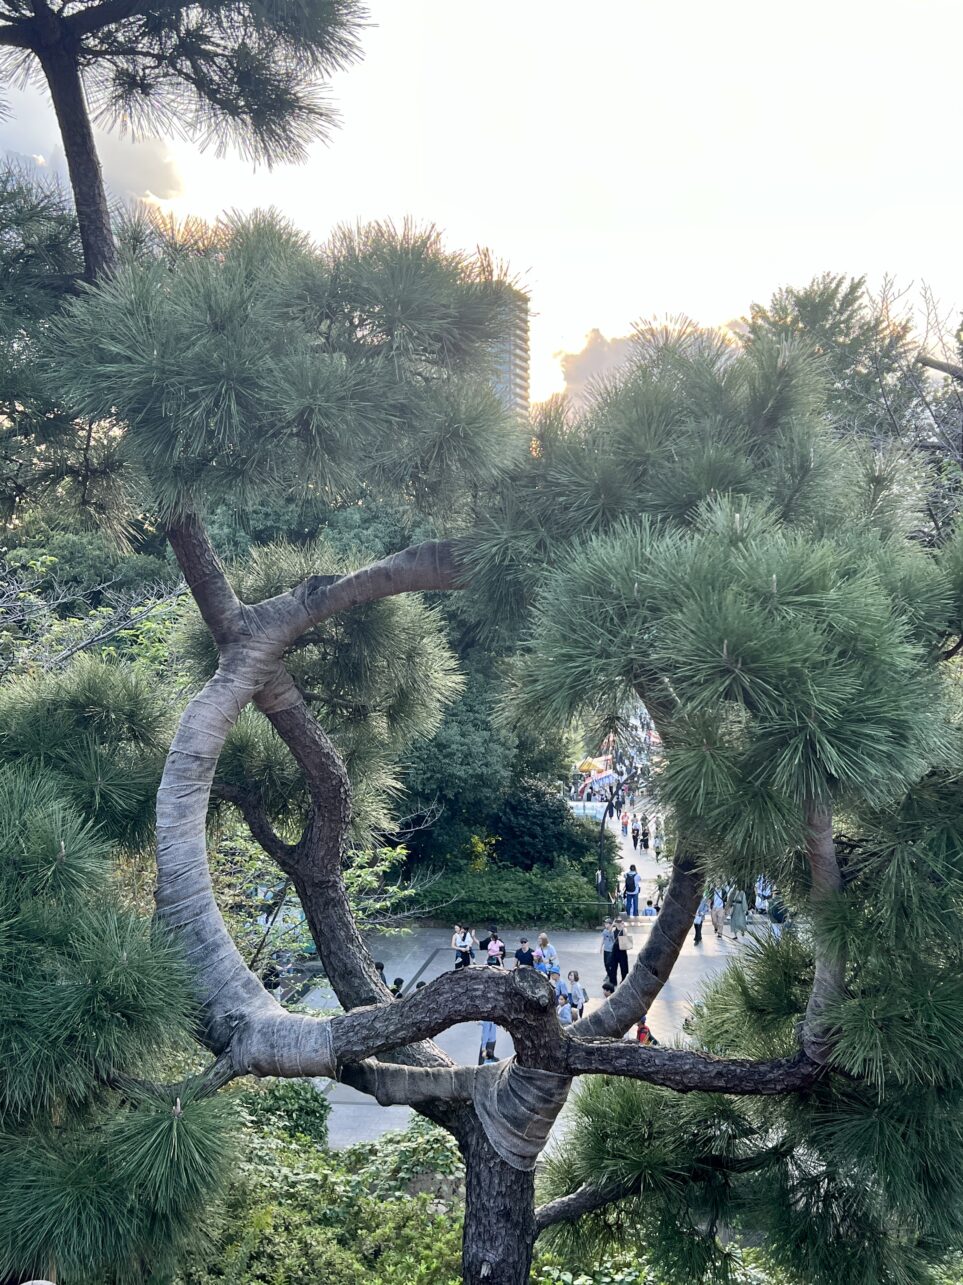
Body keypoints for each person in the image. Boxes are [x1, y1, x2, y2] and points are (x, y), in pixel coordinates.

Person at [611, 915, 631, 981]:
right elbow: (609, 934)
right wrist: (613, 924)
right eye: (617, 921)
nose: (619, 923)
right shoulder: (613, 929)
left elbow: (626, 938)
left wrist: (623, 928)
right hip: (615, 949)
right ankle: (613, 981)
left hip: (622, 949)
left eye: (620, 921)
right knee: (613, 966)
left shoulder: (624, 929)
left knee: (624, 966)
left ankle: (624, 980)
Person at [600, 917, 616, 986]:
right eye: (605, 923)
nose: (605, 925)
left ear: (610, 924)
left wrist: (613, 925)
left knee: (609, 963)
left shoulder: (613, 931)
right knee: (606, 964)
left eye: (607, 923)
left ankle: (611, 977)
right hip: (606, 950)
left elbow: (610, 933)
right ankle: (608, 974)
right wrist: (600, 947)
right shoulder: (604, 931)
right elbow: (603, 939)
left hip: (611, 950)